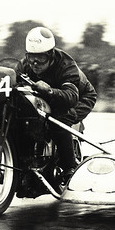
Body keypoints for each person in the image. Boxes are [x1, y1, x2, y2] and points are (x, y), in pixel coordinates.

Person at [18, 26, 98, 182]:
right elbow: (15, 82)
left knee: (60, 117)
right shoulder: (25, 65)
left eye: (40, 58)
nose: (35, 63)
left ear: (51, 55)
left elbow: (71, 97)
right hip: (51, 96)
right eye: (31, 56)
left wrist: (49, 92)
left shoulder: (66, 65)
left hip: (80, 97)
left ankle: (69, 168)